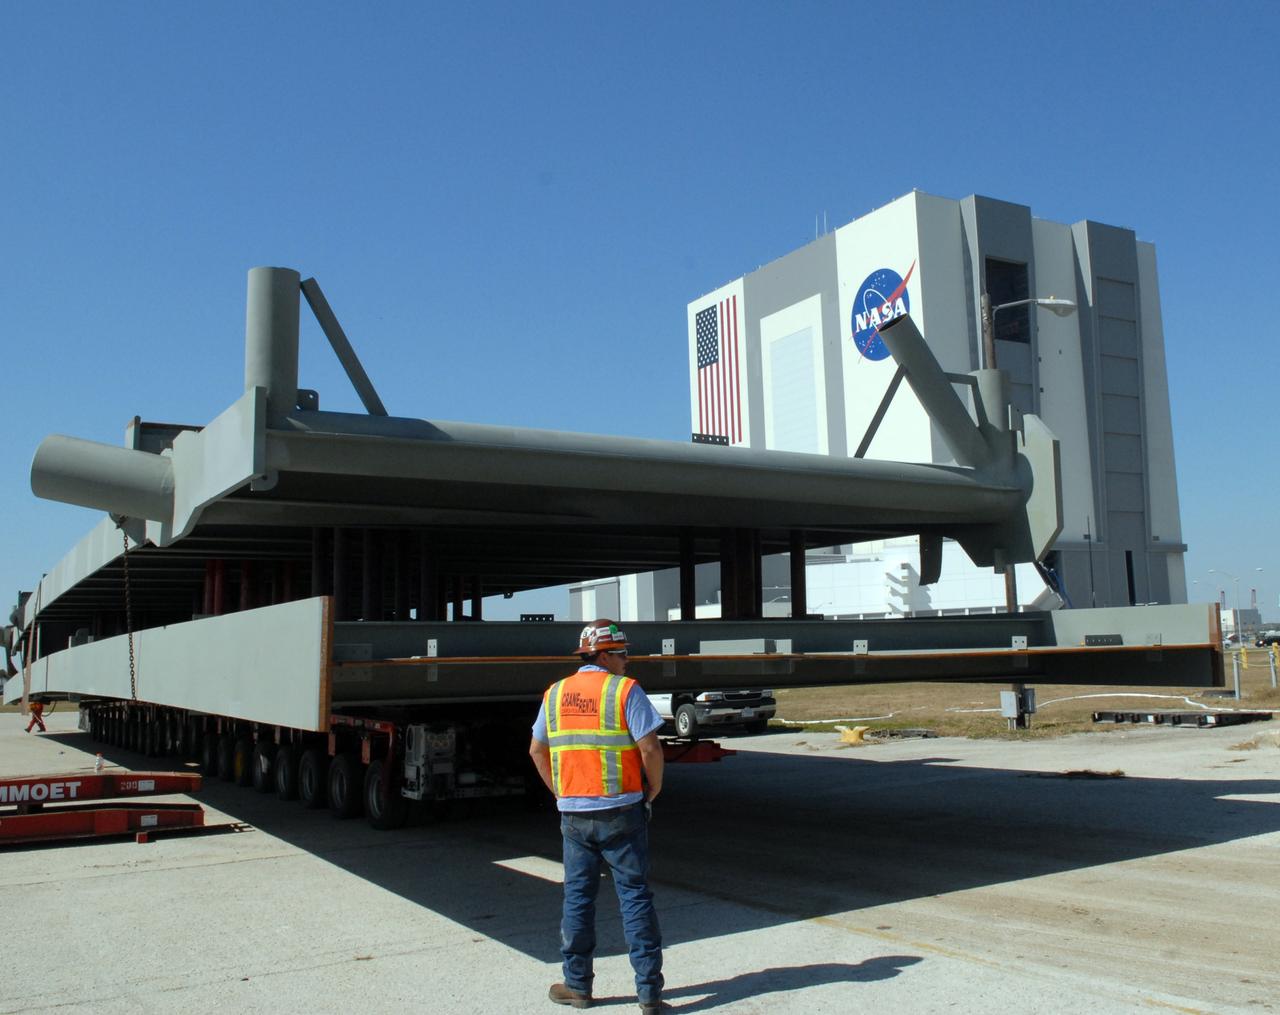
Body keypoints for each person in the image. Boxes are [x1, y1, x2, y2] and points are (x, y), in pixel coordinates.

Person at [530, 620, 667, 1013]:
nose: (627, 660)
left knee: (577, 899)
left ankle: (577, 986)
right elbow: (651, 749)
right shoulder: (625, 690)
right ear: (605, 655)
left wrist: (561, 791)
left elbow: (537, 751)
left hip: (574, 814)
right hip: (622, 810)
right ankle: (649, 994)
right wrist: (653, 788)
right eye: (623, 653)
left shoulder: (555, 693)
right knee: (635, 897)